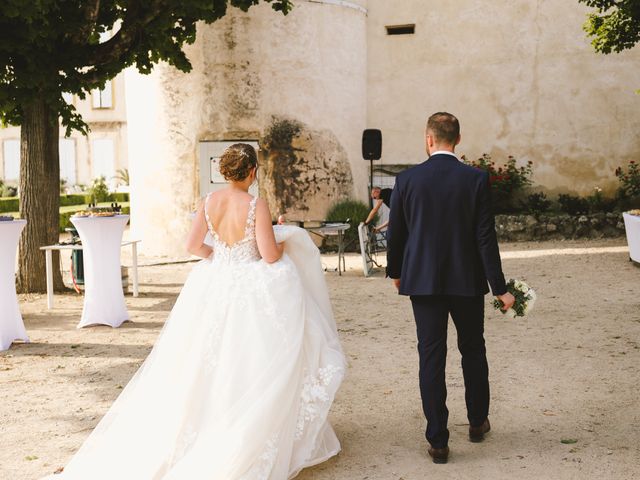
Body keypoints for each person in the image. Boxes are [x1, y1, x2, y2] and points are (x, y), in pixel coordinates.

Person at [43, 144, 345, 480]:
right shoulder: (256, 204)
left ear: (226, 171)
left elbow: (191, 245)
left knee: (201, 359)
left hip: (215, 283)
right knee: (248, 356)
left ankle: (204, 423)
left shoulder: (209, 202)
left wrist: (217, 256)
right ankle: (239, 420)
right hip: (248, 285)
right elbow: (269, 256)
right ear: (252, 172)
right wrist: (286, 239)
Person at [386, 113, 515, 465]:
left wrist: (396, 271)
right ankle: (476, 422)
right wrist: (500, 288)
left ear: (429, 139)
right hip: (467, 281)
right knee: (473, 349)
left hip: (423, 281)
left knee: (431, 355)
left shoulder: (407, 179)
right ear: (457, 140)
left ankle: (438, 441)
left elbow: (396, 231)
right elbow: (485, 238)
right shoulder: (475, 179)